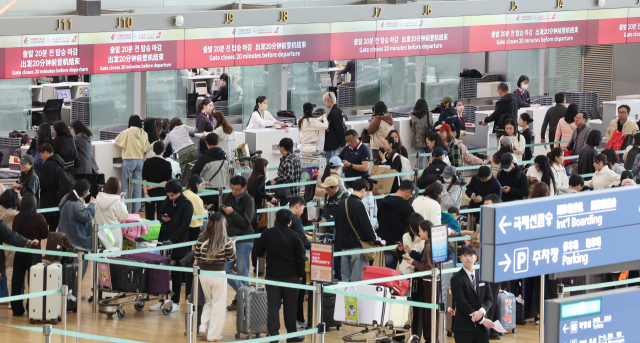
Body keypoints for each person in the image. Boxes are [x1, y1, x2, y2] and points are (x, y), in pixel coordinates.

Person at [255, 209, 306, 342]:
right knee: (290, 306)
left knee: (273, 306)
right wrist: (300, 275)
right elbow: (301, 258)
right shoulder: (295, 237)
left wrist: (266, 252)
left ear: (276, 220)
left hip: (272, 275)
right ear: (290, 221)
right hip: (291, 277)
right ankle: (291, 335)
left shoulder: (267, 233)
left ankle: (273, 335)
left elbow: (258, 251)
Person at [194, 212, 236, 341]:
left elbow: (196, 256)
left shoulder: (201, 237)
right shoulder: (225, 239)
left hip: (204, 273)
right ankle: (213, 335)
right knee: (218, 305)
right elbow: (231, 258)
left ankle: (202, 327)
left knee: (209, 301)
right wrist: (233, 245)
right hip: (218, 274)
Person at [153, 180, 193, 313]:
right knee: (161, 271)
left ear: (179, 192)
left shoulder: (187, 205)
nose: (170, 198)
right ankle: (160, 300)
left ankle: (175, 302)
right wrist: (162, 217)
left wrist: (172, 239)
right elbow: (160, 214)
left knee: (176, 272)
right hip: (164, 240)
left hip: (178, 243)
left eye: (172, 196)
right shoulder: (167, 200)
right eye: (168, 195)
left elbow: (184, 226)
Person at [335, 178, 384, 282]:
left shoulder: (343, 203)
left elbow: (337, 225)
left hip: (344, 248)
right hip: (358, 247)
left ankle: (343, 299)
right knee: (357, 282)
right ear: (363, 190)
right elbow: (367, 227)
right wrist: (378, 241)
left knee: (345, 280)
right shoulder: (359, 205)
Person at [402, 220, 442, 343]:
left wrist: (413, 263)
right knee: (431, 312)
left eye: (420, 231)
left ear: (426, 231)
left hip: (429, 282)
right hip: (435, 281)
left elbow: (428, 267)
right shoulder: (435, 243)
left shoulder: (428, 246)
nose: (419, 233)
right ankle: (432, 338)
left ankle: (430, 338)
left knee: (428, 313)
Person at [219, 175, 255, 311]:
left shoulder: (249, 201)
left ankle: (241, 299)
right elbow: (220, 213)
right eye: (232, 188)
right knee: (224, 269)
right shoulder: (228, 197)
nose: (234, 191)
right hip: (228, 239)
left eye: (237, 189)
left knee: (242, 271)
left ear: (244, 188)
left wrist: (232, 213)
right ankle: (245, 295)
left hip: (244, 238)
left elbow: (246, 222)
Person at [9, 193, 47, 316]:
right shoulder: (39, 218)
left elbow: (14, 233)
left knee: (17, 281)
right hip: (34, 253)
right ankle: (33, 308)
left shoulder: (17, 218)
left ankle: (17, 309)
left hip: (20, 252)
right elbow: (45, 234)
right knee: (35, 281)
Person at [450, 245, 494, 343]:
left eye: (471, 255)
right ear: (460, 258)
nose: (468, 258)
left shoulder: (482, 275)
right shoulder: (456, 279)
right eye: (465, 255)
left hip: (482, 329)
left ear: (476, 258)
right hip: (464, 328)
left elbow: (489, 298)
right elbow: (462, 303)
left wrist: (481, 311)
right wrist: (482, 320)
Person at [58, 179, 96, 280]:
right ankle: (75, 293)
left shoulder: (67, 199)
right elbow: (88, 216)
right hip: (77, 242)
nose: (88, 193)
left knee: (67, 268)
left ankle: (69, 293)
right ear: (84, 191)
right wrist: (92, 205)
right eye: (88, 191)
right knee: (78, 270)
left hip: (66, 240)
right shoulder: (76, 204)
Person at [247, 158, 277, 271]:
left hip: (252, 209)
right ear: (263, 167)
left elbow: (255, 190)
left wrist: (267, 184)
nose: (267, 169)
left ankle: (256, 264)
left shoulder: (252, 177)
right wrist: (269, 197)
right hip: (259, 209)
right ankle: (259, 265)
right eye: (266, 166)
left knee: (256, 236)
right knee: (260, 237)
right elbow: (256, 191)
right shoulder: (261, 177)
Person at [377, 180, 415, 269]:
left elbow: (379, 219)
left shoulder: (383, 202)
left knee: (389, 272)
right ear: (408, 191)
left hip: (387, 242)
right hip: (402, 244)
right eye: (411, 193)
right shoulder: (406, 205)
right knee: (406, 271)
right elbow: (413, 223)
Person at [115, 115, 149, 213]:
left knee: (125, 185)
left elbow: (117, 141)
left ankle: (125, 208)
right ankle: (136, 208)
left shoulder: (127, 132)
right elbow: (145, 148)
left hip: (129, 159)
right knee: (138, 186)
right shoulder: (144, 133)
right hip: (139, 161)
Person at [287, 197, 311, 329]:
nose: (303, 211)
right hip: (296, 262)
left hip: (285, 262)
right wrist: (312, 244)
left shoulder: (282, 217)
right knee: (299, 293)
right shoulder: (296, 221)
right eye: (303, 208)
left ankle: (296, 318)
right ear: (297, 206)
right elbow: (302, 240)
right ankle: (298, 319)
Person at [191, 133, 229, 206]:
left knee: (207, 214)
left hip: (207, 193)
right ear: (218, 142)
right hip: (222, 191)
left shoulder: (203, 158)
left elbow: (195, 175)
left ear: (206, 142)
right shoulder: (224, 156)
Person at [94, 177, 129, 250]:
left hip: (101, 233)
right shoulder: (117, 202)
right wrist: (122, 203)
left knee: (103, 256)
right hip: (115, 232)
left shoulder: (97, 199)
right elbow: (125, 216)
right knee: (115, 257)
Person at [37, 143, 65, 232]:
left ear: (45, 152)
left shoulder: (48, 165)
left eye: (41, 155)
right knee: (53, 227)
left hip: (49, 200)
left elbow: (44, 183)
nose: (41, 158)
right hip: (59, 198)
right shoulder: (60, 162)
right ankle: (52, 243)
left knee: (43, 226)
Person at [164, 117, 199, 187]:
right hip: (193, 149)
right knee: (196, 173)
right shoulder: (184, 127)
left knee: (185, 176)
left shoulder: (169, 135)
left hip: (183, 153)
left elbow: (163, 147)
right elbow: (196, 130)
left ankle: (183, 193)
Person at [142, 142, 173, 220]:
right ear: (164, 150)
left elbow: (144, 179)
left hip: (149, 193)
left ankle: (149, 232)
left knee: (149, 218)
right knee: (161, 216)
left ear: (153, 150)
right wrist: (153, 186)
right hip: (162, 193)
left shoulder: (147, 162)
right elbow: (167, 181)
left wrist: (145, 193)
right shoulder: (167, 164)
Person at [269, 138, 301, 205]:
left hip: (288, 194)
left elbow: (288, 176)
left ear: (282, 148)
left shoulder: (288, 160)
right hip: (295, 191)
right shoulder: (295, 157)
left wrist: (275, 180)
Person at [70, 120, 99, 187]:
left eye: (72, 129)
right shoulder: (86, 135)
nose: (72, 131)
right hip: (89, 166)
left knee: (81, 188)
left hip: (82, 168)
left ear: (76, 128)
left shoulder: (78, 137)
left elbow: (70, 146)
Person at [410, 98, 433, 169]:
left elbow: (413, 129)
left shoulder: (414, 116)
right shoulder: (429, 114)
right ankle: (432, 173)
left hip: (418, 141)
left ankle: (420, 175)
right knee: (431, 158)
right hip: (429, 139)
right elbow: (432, 125)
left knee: (420, 160)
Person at [322, 92, 347, 158]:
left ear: (330, 101)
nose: (324, 103)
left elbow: (340, 128)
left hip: (334, 145)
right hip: (335, 143)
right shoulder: (336, 111)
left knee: (333, 164)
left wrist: (342, 143)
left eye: (325, 101)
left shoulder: (335, 113)